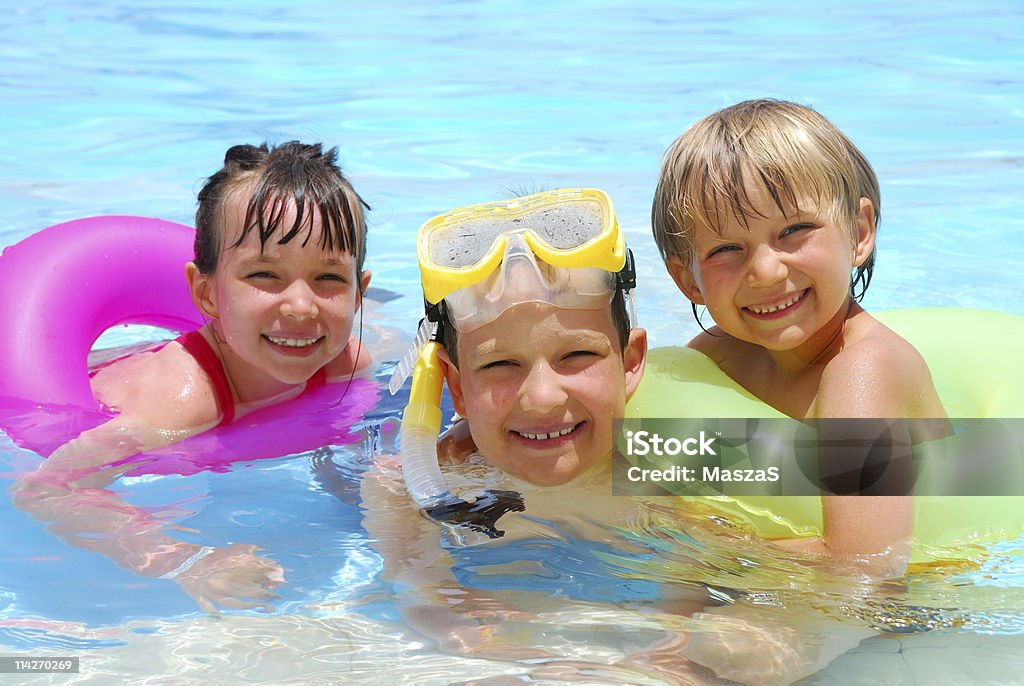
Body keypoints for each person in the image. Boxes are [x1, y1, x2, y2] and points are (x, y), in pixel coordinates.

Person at [359, 189, 854, 685]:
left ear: (632, 362)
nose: (542, 398)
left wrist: (667, 663)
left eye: (577, 356)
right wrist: (514, 658)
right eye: (500, 365)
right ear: (456, 387)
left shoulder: (670, 478)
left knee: (741, 653)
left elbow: (798, 575)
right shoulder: (407, 490)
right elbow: (428, 601)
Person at [13, 140, 373, 612]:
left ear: (359, 293)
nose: (302, 307)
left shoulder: (349, 364)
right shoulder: (178, 402)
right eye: (265, 275)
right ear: (205, 294)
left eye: (329, 279)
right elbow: (45, 488)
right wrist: (186, 562)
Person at [651, 99, 949, 576]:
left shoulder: (863, 372)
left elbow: (866, 567)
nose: (766, 271)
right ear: (688, 280)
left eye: (794, 231)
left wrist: (712, 542)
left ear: (859, 231)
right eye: (727, 249)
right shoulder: (717, 361)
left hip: (910, 615)